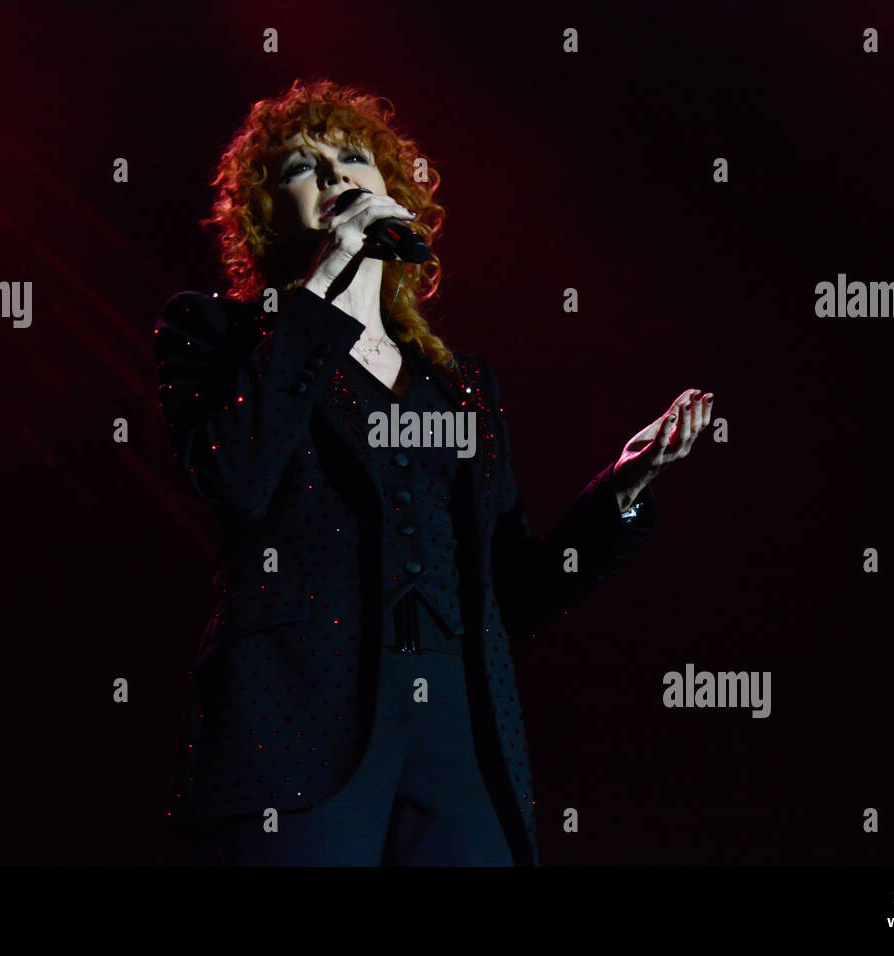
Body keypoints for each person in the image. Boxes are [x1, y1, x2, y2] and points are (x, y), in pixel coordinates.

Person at [154, 78, 712, 866]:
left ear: (393, 186)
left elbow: (515, 593)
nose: (336, 176)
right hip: (299, 722)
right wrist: (325, 286)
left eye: (353, 157)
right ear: (263, 212)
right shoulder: (219, 336)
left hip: (460, 728)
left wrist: (621, 491)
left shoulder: (460, 384)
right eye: (301, 169)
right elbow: (235, 478)